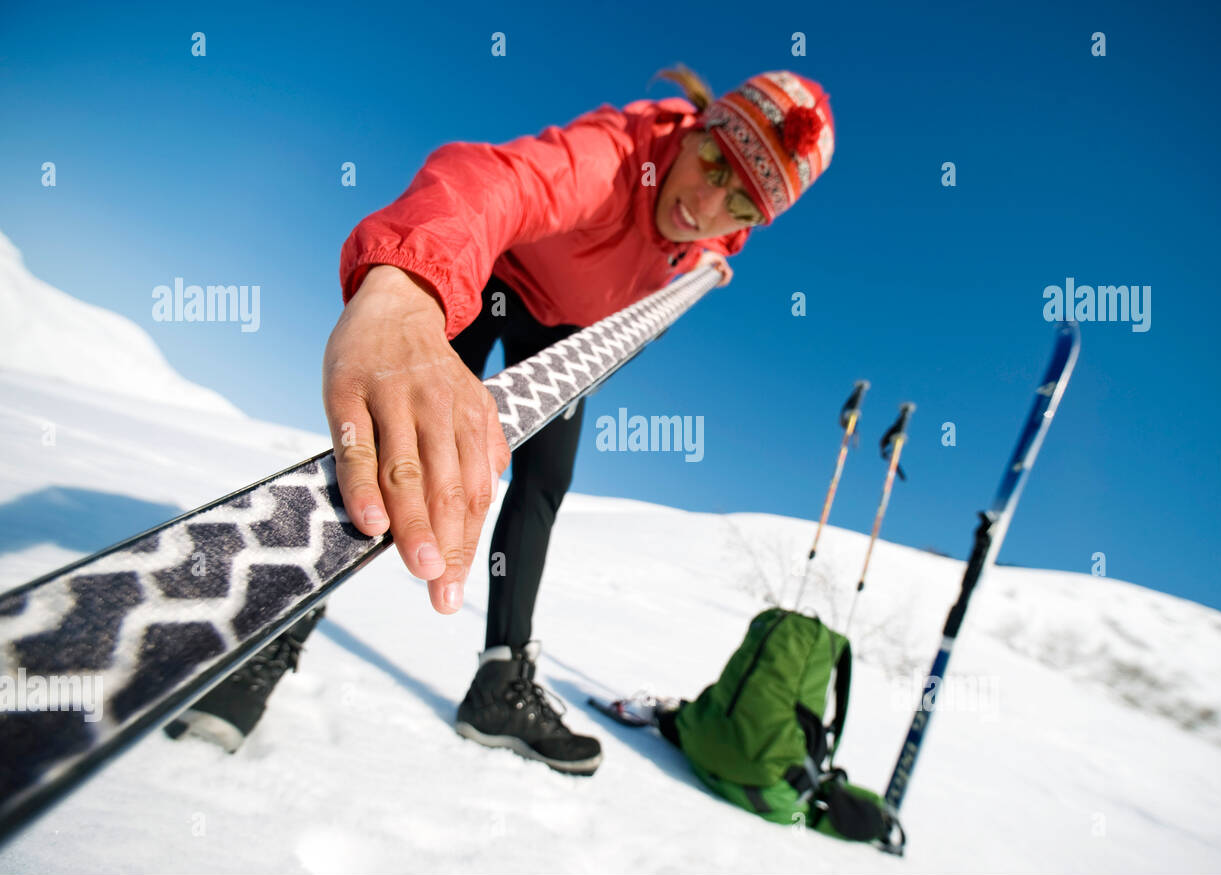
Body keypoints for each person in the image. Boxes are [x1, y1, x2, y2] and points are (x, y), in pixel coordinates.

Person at [170, 66, 835, 775]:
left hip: (565, 333)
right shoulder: (614, 159)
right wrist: (409, 282)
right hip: (485, 280)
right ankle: (273, 626)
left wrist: (708, 257)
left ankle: (500, 683)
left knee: (545, 481)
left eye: (741, 202)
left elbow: (715, 233)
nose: (707, 205)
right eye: (711, 164)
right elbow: (493, 181)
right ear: (698, 130)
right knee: (409, 433)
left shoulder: (715, 238)